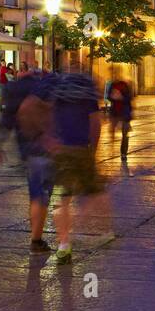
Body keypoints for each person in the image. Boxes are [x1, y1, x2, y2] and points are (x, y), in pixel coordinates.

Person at [0, 69, 56, 253]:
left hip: (27, 148)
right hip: (48, 146)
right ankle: (37, 239)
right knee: (44, 193)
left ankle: (36, 238)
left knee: (35, 193)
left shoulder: (15, 89)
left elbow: (7, 118)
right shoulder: (47, 85)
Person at [50, 71, 109, 265]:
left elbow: (48, 121)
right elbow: (95, 124)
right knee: (94, 192)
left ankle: (64, 244)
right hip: (81, 148)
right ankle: (99, 229)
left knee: (63, 199)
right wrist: (93, 149)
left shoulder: (58, 96)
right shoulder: (87, 97)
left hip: (61, 150)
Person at [106, 76, 134, 162]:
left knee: (125, 134)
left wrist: (121, 97)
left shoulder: (125, 85)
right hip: (115, 111)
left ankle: (123, 153)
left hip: (125, 112)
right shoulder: (112, 85)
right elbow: (108, 96)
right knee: (112, 129)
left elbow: (129, 98)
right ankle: (112, 147)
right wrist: (112, 97)